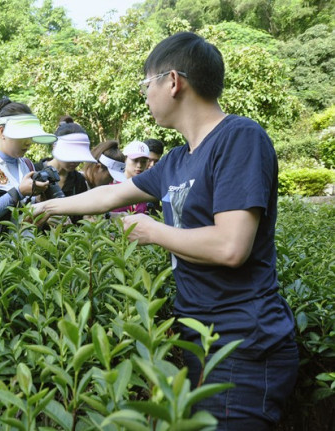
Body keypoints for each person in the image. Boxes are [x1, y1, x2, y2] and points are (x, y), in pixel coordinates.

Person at [35, 31, 297, 430]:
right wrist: (44, 208)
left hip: (243, 343)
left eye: (146, 84)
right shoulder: (177, 160)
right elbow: (109, 196)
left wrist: (152, 230)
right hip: (199, 335)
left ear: (173, 82)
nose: (144, 95)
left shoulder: (239, 139)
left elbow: (231, 246)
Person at [0, 98, 56, 220]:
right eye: (23, 136)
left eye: (31, 136)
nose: (29, 143)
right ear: (2, 131)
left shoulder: (28, 165)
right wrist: (18, 192)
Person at [34, 116, 94, 197]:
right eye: (71, 155)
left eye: (79, 156)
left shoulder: (78, 181)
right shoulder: (33, 170)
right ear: (55, 146)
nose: (75, 162)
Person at [111, 140, 150, 215]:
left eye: (143, 161)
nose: (139, 165)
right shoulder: (113, 184)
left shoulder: (146, 187)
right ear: (125, 159)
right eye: (135, 160)